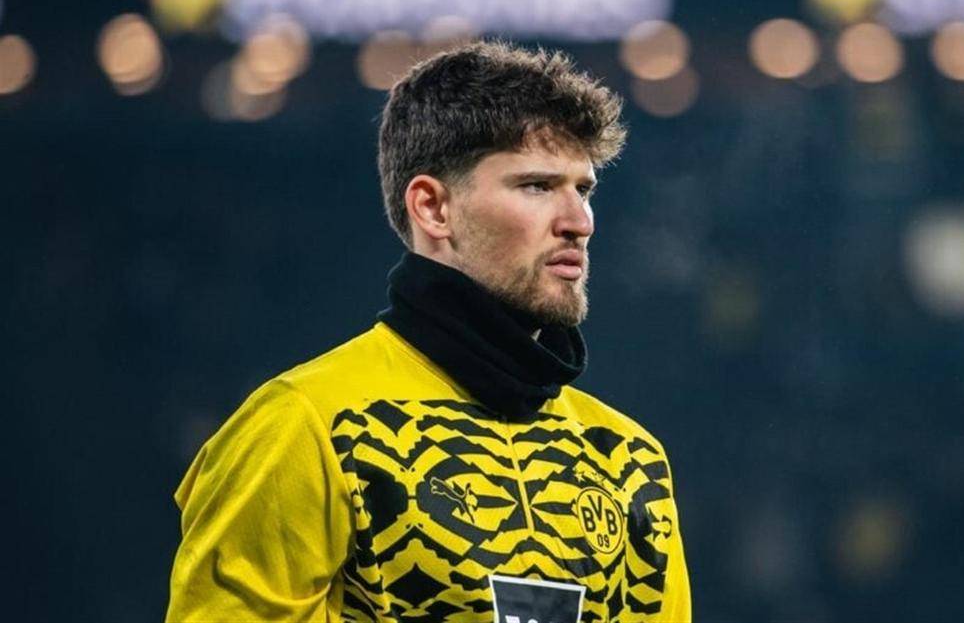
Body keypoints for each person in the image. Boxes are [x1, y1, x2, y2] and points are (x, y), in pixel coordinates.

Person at [166, 41, 691, 622]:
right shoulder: (306, 429)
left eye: (583, 189)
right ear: (433, 208)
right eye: (537, 186)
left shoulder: (628, 459)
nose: (579, 222)